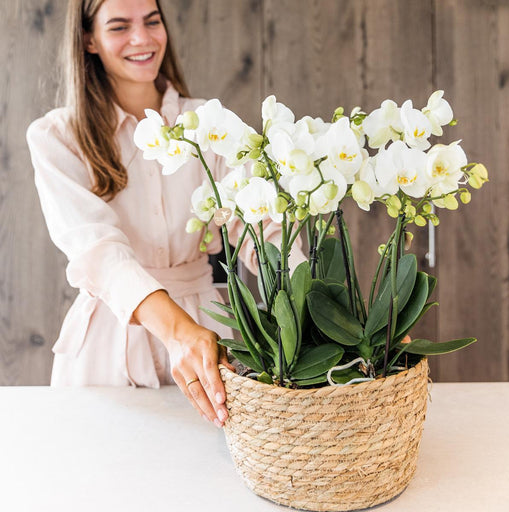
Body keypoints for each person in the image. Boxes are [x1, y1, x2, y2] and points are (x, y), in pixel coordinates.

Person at [26, 0, 303, 429]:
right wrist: (179, 332)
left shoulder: (210, 124)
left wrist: (320, 312)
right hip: (107, 343)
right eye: (119, 26)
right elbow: (98, 251)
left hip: (209, 331)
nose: (143, 38)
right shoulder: (57, 137)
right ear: (88, 40)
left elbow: (262, 230)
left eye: (152, 21)